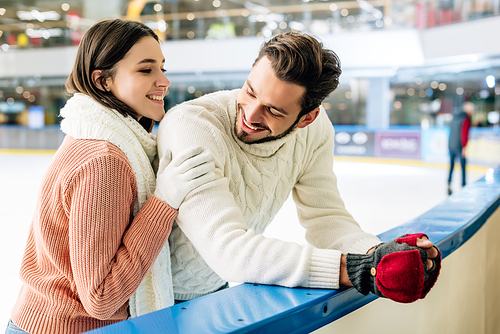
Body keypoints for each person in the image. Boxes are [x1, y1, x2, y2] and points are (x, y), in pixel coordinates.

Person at [150, 32, 442, 307]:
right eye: (250, 91)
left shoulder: (314, 132)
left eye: (274, 111)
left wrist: (377, 255)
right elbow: (227, 248)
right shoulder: (191, 127)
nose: (251, 115)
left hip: (212, 290)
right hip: (152, 299)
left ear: (307, 118)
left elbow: (326, 218)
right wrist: (358, 270)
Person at [6, 19, 215, 334]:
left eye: (163, 68)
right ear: (102, 81)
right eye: (146, 70)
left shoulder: (97, 136)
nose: (164, 81)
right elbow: (101, 297)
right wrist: (164, 200)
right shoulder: (105, 161)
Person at [447, 101, 474, 195]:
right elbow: (464, 133)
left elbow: (451, 131)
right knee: (463, 166)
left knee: (451, 165)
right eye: (472, 110)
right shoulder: (465, 118)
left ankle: (449, 182)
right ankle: (463, 184)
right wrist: (464, 147)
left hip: (451, 145)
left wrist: (449, 144)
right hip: (459, 146)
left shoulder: (454, 117)